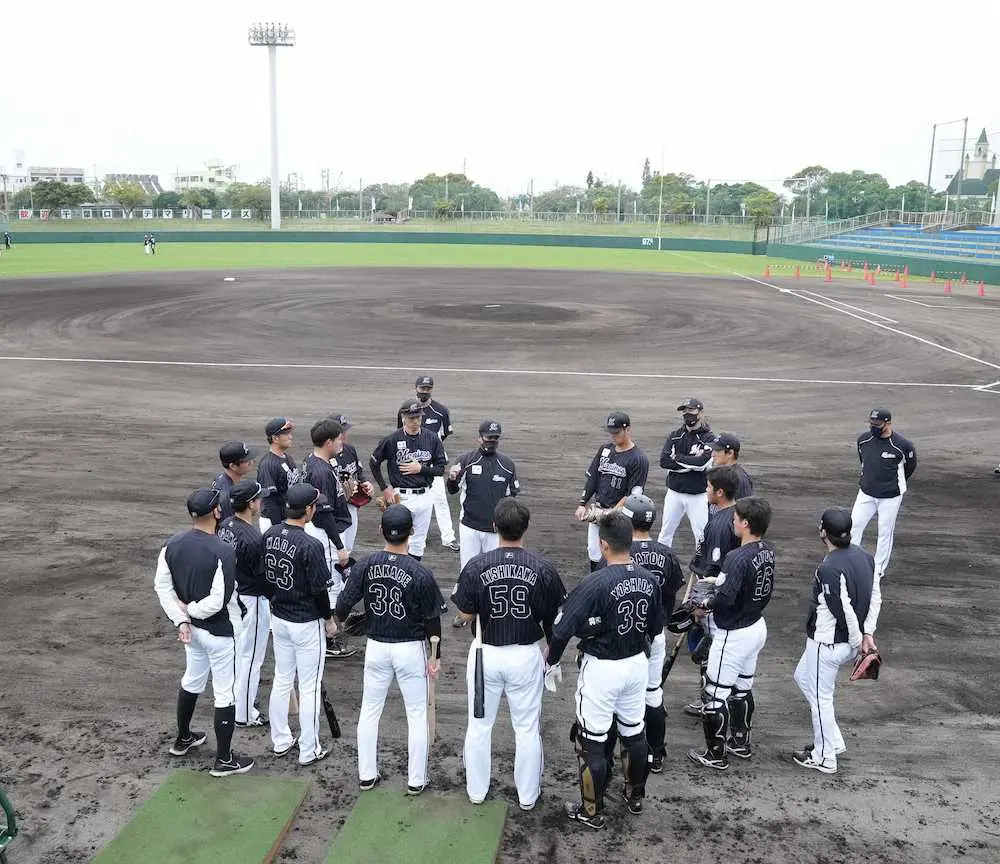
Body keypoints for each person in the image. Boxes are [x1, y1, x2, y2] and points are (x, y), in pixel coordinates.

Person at [547, 512, 664, 828]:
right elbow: (655, 627)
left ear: (603, 544)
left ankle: (591, 811)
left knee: (591, 741)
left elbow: (561, 631)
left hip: (602, 671)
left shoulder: (594, 582)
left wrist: (551, 662)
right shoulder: (649, 579)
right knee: (633, 732)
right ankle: (634, 796)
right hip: (636, 666)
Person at [452, 498, 565, 810]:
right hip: (526, 655)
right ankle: (527, 796)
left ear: (494, 527)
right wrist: (552, 657)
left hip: (485, 655)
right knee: (527, 729)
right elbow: (557, 619)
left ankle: (477, 791)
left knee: (479, 726)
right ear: (525, 529)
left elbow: (463, 611)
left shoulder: (476, 566)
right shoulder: (543, 568)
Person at [333, 505, 445, 794]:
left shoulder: (366, 565)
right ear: (412, 532)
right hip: (410, 649)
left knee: (370, 710)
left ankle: (367, 775)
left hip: (377, 648)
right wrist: (436, 658)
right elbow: (433, 622)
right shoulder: (421, 573)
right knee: (416, 714)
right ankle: (416, 780)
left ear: (381, 531)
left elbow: (343, 608)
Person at [153, 488, 253, 777]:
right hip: (220, 632)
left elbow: (163, 587)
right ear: (217, 513)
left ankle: (183, 738)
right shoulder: (223, 550)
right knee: (225, 693)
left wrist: (181, 620)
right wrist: (191, 612)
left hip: (192, 633)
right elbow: (220, 599)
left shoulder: (171, 544)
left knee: (193, 679)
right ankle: (224, 760)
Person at [687, 496, 775, 771]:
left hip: (733, 632)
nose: (732, 522)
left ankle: (715, 755)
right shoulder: (768, 550)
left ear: (746, 524)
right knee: (742, 687)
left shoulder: (736, 558)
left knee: (713, 694)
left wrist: (704, 604)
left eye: (736, 519)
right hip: (756, 627)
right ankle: (740, 742)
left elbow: (724, 599)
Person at [792, 508, 875, 775]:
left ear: (823, 533)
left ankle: (825, 757)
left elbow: (843, 608)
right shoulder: (864, 556)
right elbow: (876, 596)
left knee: (821, 700)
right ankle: (833, 740)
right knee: (802, 677)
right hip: (844, 642)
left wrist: (857, 639)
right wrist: (868, 634)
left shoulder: (829, 567)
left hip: (827, 643)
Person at [265, 483, 336, 767]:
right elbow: (320, 590)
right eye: (314, 506)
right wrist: (329, 619)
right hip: (305, 622)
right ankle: (309, 748)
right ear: (307, 510)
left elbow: (264, 577)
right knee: (309, 686)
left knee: (283, 678)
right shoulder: (311, 544)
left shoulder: (269, 534)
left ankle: (280, 740)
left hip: (278, 617)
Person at [619, 494, 684, 773]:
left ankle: (623, 749)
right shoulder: (666, 553)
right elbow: (672, 593)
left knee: (618, 696)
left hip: (623, 637)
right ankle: (656, 753)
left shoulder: (619, 553)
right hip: (655, 633)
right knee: (652, 692)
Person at [683, 464, 742, 718]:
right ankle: (716, 694)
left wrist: (699, 602)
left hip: (717, 597)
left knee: (711, 650)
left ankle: (711, 697)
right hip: (736, 597)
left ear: (719, 492)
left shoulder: (719, 523)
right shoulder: (739, 515)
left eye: (708, 487)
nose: (705, 490)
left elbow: (714, 569)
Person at [447, 419, 520, 627]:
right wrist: (452, 479)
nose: (492, 441)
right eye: (489, 437)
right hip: (469, 525)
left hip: (495, 530)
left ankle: (490, 611)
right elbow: (452, 490)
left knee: (495, 571)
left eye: (495, 438)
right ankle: (464, 612)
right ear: (479, 437)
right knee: (468, 570)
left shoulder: (507, 464)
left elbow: (512, 496)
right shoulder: (466, 460)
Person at [218, 479, 272, 728]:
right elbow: (263, 577)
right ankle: (244, 713)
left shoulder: (226, 525)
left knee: (239, 653)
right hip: (252, 600)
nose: (261, 501)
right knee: (251, 657)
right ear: (251, 504)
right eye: (258, 498)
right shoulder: (253, 537)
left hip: (231, 597)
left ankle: (237, 702)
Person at [301, 419, 353, 658]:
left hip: (315, 529)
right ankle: (329, 639)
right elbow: (324, 514)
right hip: (323, 532)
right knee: (330, 584)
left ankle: (325, 634)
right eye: (340, 438)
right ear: (329, 442)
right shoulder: (320, 471)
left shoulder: (312, 461)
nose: (343, 441)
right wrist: (340, 546)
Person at [370, 400, 448, 560]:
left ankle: (412, 574)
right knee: (397, 538)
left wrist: (421, 469)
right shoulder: (392, 439)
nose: (415, 422)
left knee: (419, 543)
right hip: (402, 497)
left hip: (425, 496)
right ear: (403, 417)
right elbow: (373, 462)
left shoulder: (432, 438)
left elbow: (441, 470)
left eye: (418, 418)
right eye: (412, 418)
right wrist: (384, 487)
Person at [575, 412, 650, 571]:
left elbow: (633, 496)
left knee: (616, 554)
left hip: (621, 515)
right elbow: (593, 479)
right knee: (594, 553)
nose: (612, 436)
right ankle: (596, 582)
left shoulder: (639, 459)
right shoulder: (604, 450)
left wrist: (612, 513)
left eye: (616, 432)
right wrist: (583, 503)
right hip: (599, 510)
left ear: (627, 429)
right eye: (610, 432)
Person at [850, 407, 916, 582]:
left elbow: (910, 466)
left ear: (888, 423)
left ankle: (878, 569)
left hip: (890, 496)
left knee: (885, 531)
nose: (874, 427)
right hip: (866, 493)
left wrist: (893, 483)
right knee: (854, 526)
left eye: (877, 424)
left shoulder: (902, 445)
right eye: (871, 423)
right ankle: (851, 562)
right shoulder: (863, 440)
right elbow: (863, 460)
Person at [397, 375, 459, 552]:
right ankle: (413, 538)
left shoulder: (441, 411)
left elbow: (445, 434)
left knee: (439, 499)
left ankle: (448, 537)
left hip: (432, 462)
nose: (424, 391)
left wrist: (432, 448)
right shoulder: (405, 409)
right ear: (416, 388)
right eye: (422, 388)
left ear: (432, 389)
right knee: (411, 498)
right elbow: (400, 433)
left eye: (428, 389)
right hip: (411, 462)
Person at [657, 397, 715, 549]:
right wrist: (691, 464)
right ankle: (661, 568)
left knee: (701, 537)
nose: (687, 414)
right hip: (674, 493)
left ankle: (702, 572)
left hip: (698, 496)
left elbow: (702, 463)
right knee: (665, 534)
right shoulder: (675, 435)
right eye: (684, 411)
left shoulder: (709, 438)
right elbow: (664, 461)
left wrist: (677, 458)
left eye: (691, 410)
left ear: (700, 413)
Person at [328, 411, 375, 553]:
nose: (344, 435)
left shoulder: (350, 450)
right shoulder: (325, 456)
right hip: (335, 512)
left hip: (352, 506)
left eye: (344, 431)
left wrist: (366, 483)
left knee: (348, 548)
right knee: (336, 550)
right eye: (340, 432)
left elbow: (358, 472)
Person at [257, 418, 300, 534]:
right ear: (275, 438)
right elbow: (269, 501)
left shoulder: (288, 458)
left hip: (288, 519)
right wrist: (279, 528)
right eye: (286, 434)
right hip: (274, 521)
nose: (290, 436)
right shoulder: (267, 464)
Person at [212, 441, 262, 521]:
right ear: (233, 466)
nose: (251, 462)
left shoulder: (220, 477)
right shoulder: (229, 496)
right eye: (246, 460)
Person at [708, 433, 754, 500]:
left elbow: (745, 508)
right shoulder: (720, 473)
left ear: (730, 453)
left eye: (717, 450)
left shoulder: (740, 478)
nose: (712, 454)